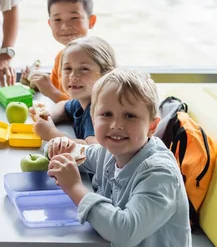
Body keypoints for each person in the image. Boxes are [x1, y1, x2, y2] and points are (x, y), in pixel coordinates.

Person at [47, 68, 191, 247]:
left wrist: (74, 187)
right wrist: (57, 147)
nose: (116, 125)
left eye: (129, 116)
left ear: (152, 126)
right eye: (106, 114)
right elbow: (75, 153)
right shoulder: (108, 152)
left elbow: (125, 232)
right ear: (93, 119)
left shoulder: (160, 173)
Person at [31, 36, 116, 145]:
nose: (73, 76)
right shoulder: (83, 100)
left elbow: (94, 150)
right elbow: (64, 106)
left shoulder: (99, 109)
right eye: (67, 69)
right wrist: (47, 117)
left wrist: (52, 133)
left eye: (84, 69)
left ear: (105, 74)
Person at [22, 0, 96, 103]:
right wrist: (35, 82)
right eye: (57, 19)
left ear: (91, 21)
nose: (65, 26)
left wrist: (52, 92)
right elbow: (56, 88)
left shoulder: (97, 59)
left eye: (74, 18)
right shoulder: (61, 57)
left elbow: (86, 109)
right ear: (50, 24)